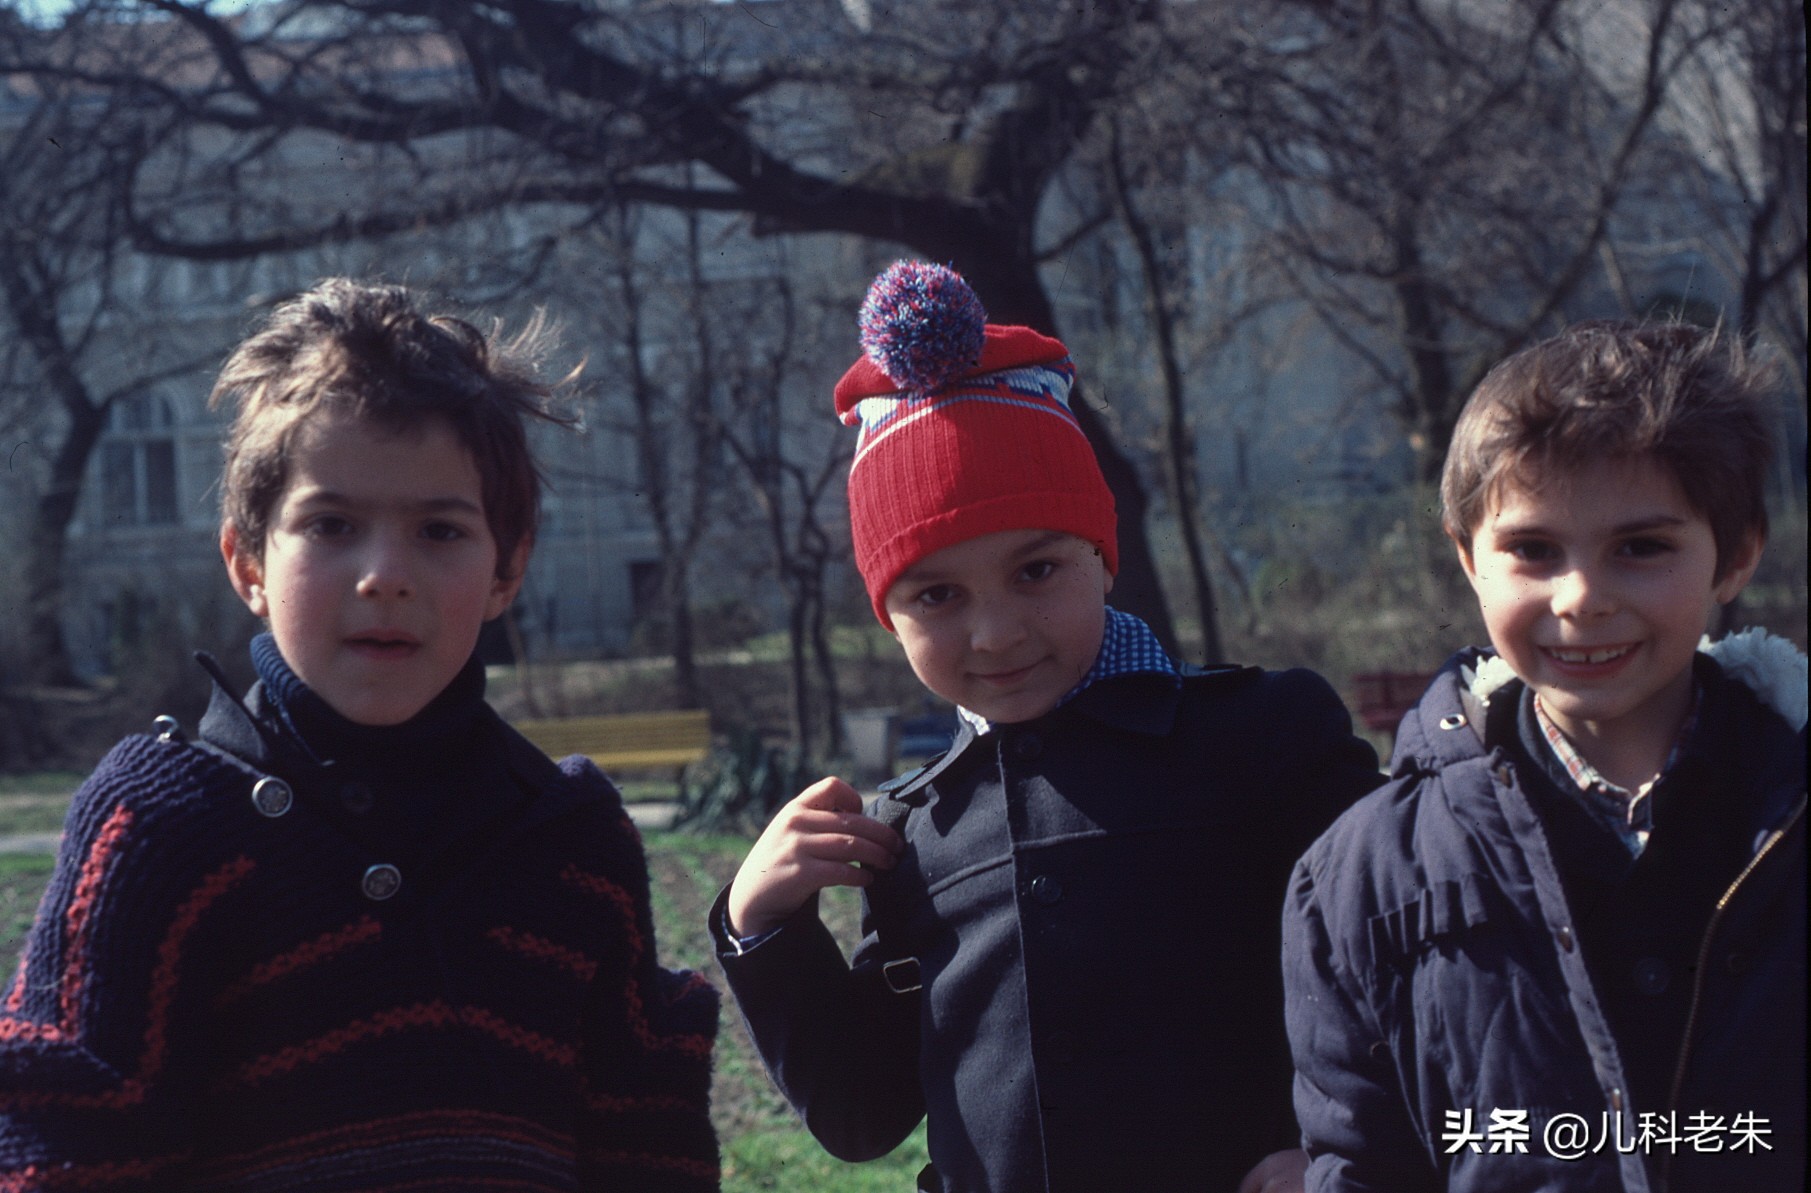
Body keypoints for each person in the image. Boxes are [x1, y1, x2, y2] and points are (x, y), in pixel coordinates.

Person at [0, 279, 720, 1190]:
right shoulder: (158, 828)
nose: (384, 574)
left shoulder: (574, 845)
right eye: (332, 525)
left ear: (507, 569)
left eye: (439, 530)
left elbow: (644, 1149)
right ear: (248, 562)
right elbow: (63, 1150)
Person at [710, 261, 1383, 1193]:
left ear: (1102, 557)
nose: (994, 633)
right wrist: (760, 923)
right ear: (887, 617)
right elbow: (864, 1112)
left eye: (1035, 571)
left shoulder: (1262, 737)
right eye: (936, 595)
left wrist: (1349, 1148)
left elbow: (1398, 977)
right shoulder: (910, 832)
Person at [1282, 321, 1806, 1191]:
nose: (1581, 598)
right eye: (1532, 550)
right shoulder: (1365, 873)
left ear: (1735, 553)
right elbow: (1362, 1163)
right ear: (1467, 557)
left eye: (1640, 547)